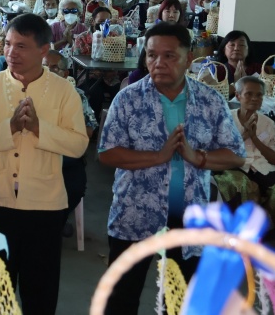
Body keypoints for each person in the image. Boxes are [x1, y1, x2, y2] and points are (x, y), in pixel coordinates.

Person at [98, 22, 245, 315]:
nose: (158, 63)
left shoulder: (210, 101)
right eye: (152, 55)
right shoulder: (128, 98)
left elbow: (236, 155)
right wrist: (159, 156)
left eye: (169, 56)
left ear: (188, 58)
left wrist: (196, 157)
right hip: (135, 213)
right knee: (121, 299)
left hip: (187, 217)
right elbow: (107, 153)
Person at [0, 13, 89, 315]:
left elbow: (78, 145)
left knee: (40, 294)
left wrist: (38, 129)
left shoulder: (63, 91)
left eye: (21, 46)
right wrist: (8, 128)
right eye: (8, 44)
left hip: (44, 206)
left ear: (44, 50)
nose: (11, 52)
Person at [43, 50, 98, 237]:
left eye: (54, 68)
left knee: (74, 188)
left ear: (65, 74)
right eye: (44, 67)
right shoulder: (29, 93)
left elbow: (88, 131)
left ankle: (57, 220)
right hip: (37, 152)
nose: (48, 72)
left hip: (66, 156)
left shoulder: (77, 96)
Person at [212, 76, 275, 216]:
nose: (254, 99)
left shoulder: (269, 124)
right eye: (249, 94)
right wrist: (244, 136)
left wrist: (255, 139)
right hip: (234, 166)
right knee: (241, 185)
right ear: (238, 96)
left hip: (261, 167)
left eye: (259, 95)